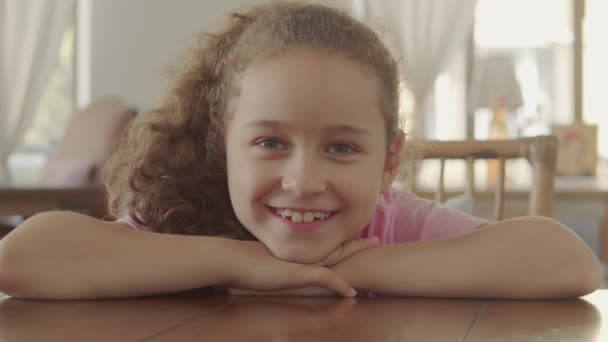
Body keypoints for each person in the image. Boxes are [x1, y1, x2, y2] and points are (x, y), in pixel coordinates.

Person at [0, 2, 600, 300]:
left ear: (389, 160)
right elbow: (22, 259)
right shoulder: (187, 220)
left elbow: (566, 263)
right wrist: (240, 264)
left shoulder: (390, 224)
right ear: (222, 144)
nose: (303, 179)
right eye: (269, 143)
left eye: (341, 146)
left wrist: (362, 268)